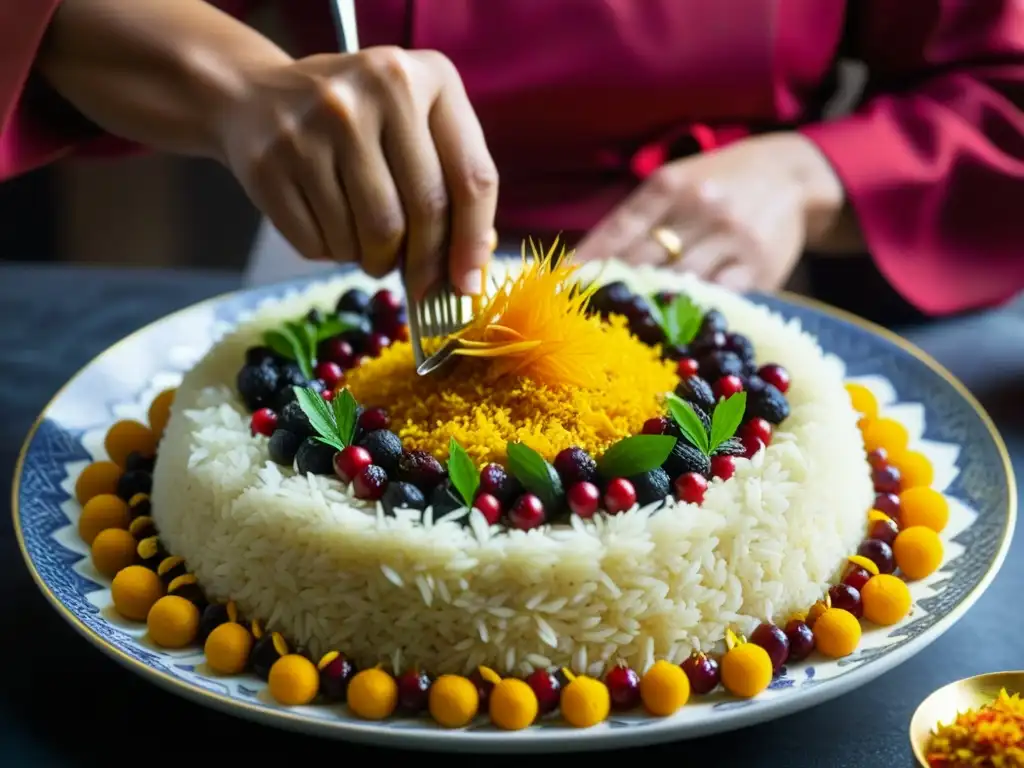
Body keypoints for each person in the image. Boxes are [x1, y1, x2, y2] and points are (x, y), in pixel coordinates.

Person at [2, 1, 1023, 315]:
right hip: (353, 255)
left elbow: (1002, 91)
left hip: (724, 284)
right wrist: (239, 86)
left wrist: (806, 176)